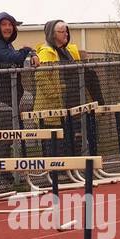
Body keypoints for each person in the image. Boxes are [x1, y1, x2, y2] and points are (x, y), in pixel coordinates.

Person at [0, 12, 39, 191]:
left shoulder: (6, 44)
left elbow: (18, 61)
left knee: (7, 138)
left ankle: (4, 172)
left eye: (10, 25)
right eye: (4, 24)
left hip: (10, 98)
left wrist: (32, 52)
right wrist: (27, 49)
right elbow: (14, 58)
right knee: (0, 138)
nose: (7, 28)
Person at [35, 20, 84, 156]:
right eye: (61, 31)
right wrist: (57, 94)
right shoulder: (46, 52)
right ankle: (56, 174)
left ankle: (71, 171)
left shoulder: (70, 51)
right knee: (55, 146)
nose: (66, 34)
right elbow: (41, 77)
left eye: (66, 31)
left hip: (71, 107)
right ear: (52, 34)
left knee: (73, 142)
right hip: (52, 111)